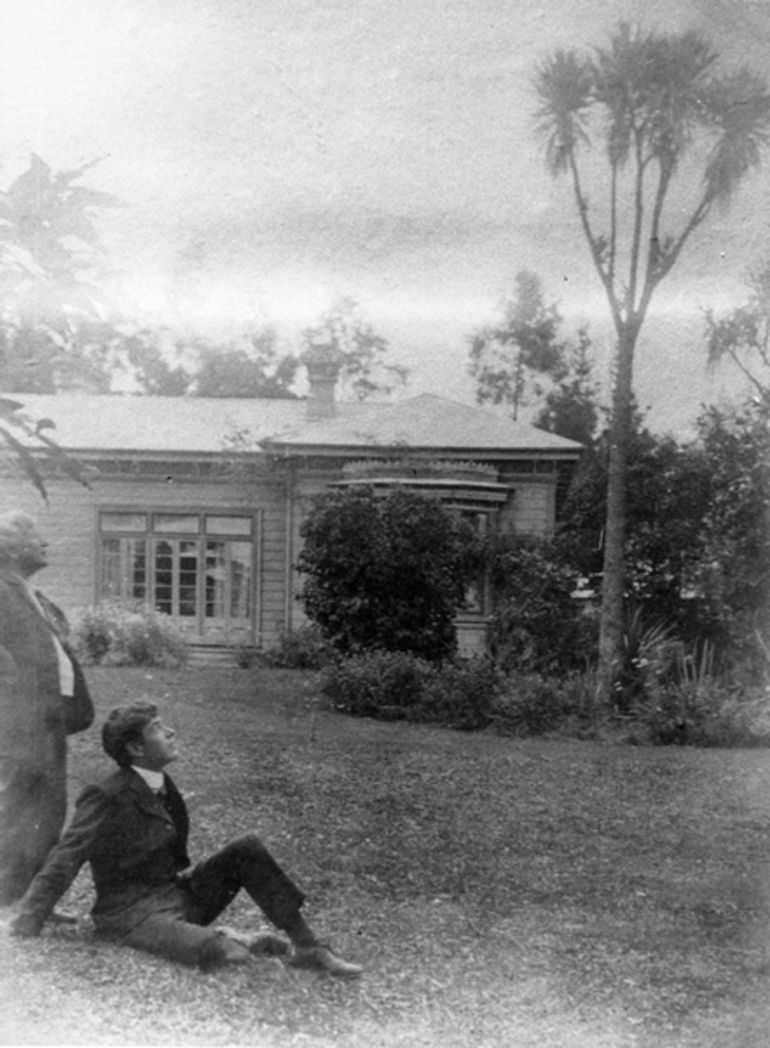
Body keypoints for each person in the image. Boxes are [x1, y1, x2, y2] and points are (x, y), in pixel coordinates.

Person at [9, 702, 363, 977]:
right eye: (158, 729)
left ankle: (308, 947)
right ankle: (238, 939)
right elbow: (66, 856)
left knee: (246, 848)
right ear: (135, 748)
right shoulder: (106, 794)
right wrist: (29, 919)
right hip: (131, 916)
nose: (171, 731)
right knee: (228, 956)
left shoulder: (163, 783)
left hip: (175, 897)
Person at [0, 511, 94, 906]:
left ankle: (25, 903)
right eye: (35, 535)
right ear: (8, 545)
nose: (45, 542)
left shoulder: (24, 591)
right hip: (21, 722)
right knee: (17, 807)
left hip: (47, 720)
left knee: (46, 812)